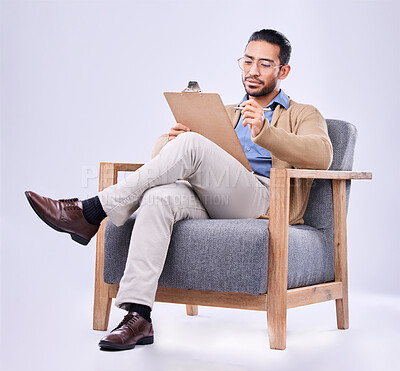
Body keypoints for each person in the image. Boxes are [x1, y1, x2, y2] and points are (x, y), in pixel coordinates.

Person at [25, 29, 333, 351]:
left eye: (265, 64)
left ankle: (90, 211)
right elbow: (163, 162)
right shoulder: (226, 112)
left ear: (282, 71)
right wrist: (169, 140)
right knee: (159, 197)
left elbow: (322, 155)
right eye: (248, 61)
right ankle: (138, 316)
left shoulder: (302, 113)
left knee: (190, 147)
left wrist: (266, 131)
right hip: (214, 197)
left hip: (265, 199)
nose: (253, 71)